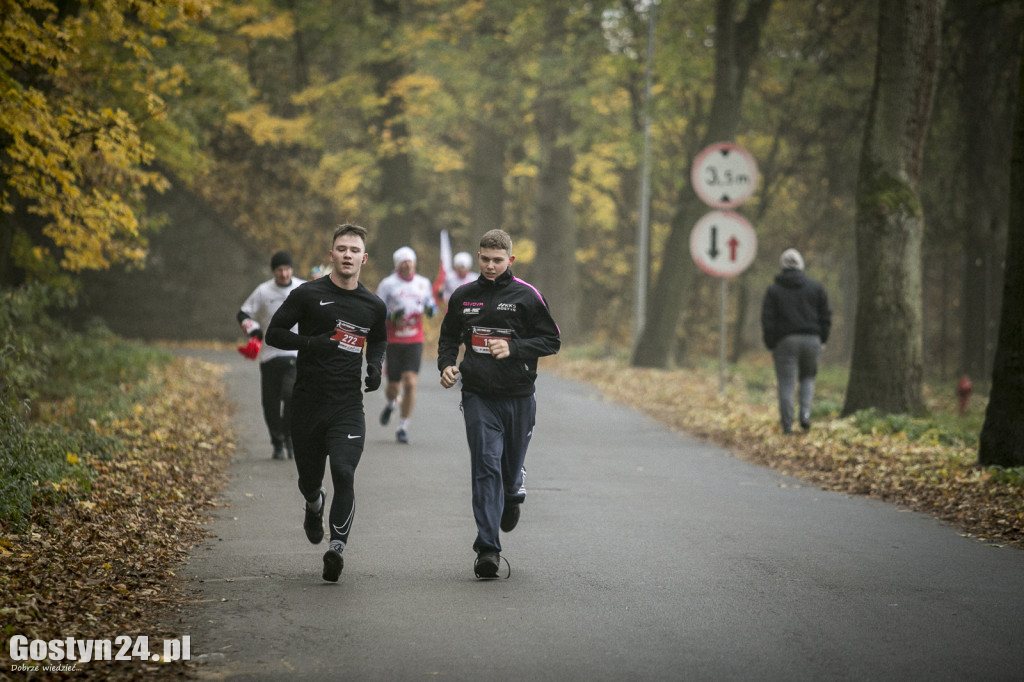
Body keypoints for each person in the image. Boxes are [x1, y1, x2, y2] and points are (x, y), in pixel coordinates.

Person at [265, 224, 387, 582]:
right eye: (341, 249)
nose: (347, 255)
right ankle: (314, 502)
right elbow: (274, 333)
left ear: (363, 258)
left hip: (347, 405)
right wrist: (310, 344)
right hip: (307, 404)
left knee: (345, 472)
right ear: (331, 255)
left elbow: (378, 340)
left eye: (354, 250)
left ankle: (336, 548)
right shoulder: (307, 294)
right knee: (309, 480)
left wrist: (375, 367)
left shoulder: (373, 305)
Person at [437, 229, 560, 579]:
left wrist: (515, 348)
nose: (491, 266)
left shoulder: (527, 296)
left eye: (498, 260)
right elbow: (448, 338)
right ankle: (487, 549)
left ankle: (514, 486)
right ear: (478, 257)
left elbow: (552, 340)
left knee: (505, 473)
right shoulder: (463, 296)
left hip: (518, 397)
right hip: (478, 395)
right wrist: (446, 365)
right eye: (485, 259)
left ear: (511, 260)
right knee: (485, 465)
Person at [236, 251, 305, 460]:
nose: (284, 274)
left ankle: (290, 437)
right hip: (269, 354)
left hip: (296, 352)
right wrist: (253, 329)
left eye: (287, 269)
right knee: (271, 403)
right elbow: (243, 313)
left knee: (292, 395)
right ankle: (277, 442)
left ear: (292, 269)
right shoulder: (263, 291)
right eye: (279, 270)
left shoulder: (302, 288)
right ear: (273, 271)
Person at [761, 248, 832, 435]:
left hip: (785, 342)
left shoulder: (774, 290)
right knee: (808, 378)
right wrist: (823, 338)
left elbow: (767, 320)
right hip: (812, 339)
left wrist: (771, 343)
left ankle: (787, 425)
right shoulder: (815, 288)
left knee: (786, 383)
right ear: (801, 265)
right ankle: (805, 415)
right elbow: (826, 315)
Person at [375, 246, 437, 444]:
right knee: (393, 387)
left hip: (414, 338)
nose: (408, 264)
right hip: (394, 339)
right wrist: (391, 316)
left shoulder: (423, 283)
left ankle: (403, 426)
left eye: (410, 261)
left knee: (410, 382)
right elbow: (376, 308)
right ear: (398, 265)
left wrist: (430, 309)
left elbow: (431, 306)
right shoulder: (388, 284)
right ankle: (392, 403)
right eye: (403, 262)